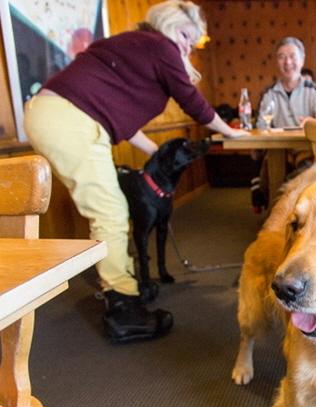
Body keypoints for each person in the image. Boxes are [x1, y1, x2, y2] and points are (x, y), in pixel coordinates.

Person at [23, 0, 247, 343]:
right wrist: (229, 131)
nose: (187, 46)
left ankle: (122, 289)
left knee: (107, 210)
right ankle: (124, 310)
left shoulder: (138, 49)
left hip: (57, 115)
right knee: (111, 213)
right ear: (170, 24)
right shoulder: (160, 46)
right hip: (69, 120)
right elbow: (193, 101)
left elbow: (120, 121)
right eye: (187, 36)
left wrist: (154, 151)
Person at [251, 37, 316, 210]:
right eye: (281, 57)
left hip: (305, 148)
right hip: (278, 148)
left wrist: (314, 122)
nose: (288, 62)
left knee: (304, 171)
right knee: (270, 168)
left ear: (302, 59)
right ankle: (275, 213)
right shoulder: (269, 93)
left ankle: (286, 209)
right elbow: (261, 125)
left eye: (292, 56)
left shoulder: (314, 90)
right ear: (277, 61)